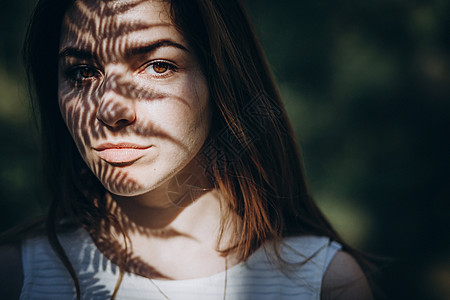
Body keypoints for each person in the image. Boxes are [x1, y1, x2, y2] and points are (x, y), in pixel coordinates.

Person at [0, 0, 373, 299]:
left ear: (220, 78)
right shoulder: (17, 276)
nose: (110, 109)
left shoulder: (322, 282)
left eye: (158, 66)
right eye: (82, 72)